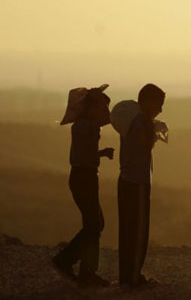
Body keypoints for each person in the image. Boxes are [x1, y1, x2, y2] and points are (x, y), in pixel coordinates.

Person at [52, 85, 114, 288]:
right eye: (100, 107)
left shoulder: (86, 126)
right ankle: (85, 271)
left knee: (95, 224)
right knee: (94, 224)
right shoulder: (84, 126)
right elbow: (83, 156)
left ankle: (69, 261)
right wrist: (94, 98)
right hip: (83, 178)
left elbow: (85, 154)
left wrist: (101, 153)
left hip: (85, 177)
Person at [114, 83, 166, 288]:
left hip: (126, 179)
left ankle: (127, 275)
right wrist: (154, 132)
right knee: (138, 232)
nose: (160, 109)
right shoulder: (141, 121)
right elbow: (144, 146)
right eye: (159, 104)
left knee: (126, 230)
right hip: (138, 183)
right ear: (149, 102)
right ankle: (133, 278)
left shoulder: (130, 119)